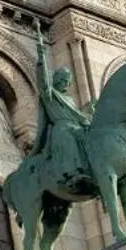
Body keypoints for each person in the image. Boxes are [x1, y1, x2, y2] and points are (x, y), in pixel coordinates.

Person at [31, 27, 94, 193]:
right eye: (65, 80)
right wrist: (41, 55)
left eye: (68, 81)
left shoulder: (70, 100)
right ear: (58, 80)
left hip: (74, 127)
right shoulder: (50, 95)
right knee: (69, 138)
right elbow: (43, 81)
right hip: (61, 130)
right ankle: (72, 174)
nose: (68, 83)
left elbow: (78, 116)